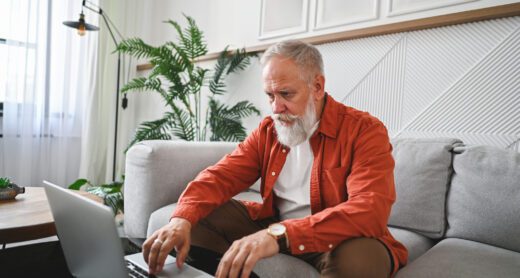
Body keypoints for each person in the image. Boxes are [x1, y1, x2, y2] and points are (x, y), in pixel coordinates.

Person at [142, 40, 408, 278]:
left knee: (359, 260)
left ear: (317, 86)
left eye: (286, 94)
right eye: (270, 95)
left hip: (336, 239)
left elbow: (369, 211)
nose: (275, 108)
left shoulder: (364, 130)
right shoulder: (268, 131)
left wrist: (278, 236)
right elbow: (220, 176)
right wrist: (181, 219)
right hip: (276, 225)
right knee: (198, 214)